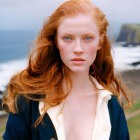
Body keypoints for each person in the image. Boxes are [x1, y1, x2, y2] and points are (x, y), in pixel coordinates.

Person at [2, 0, 133, 140]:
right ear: (56, 41)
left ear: (100, 41)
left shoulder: (112, 107)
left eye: (88, 38)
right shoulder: (27, 101)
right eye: (67, 38)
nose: (78, 49)